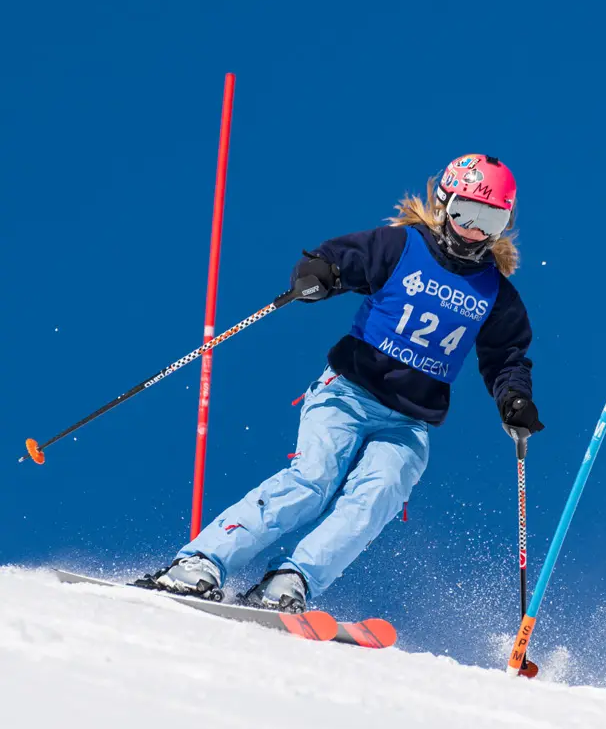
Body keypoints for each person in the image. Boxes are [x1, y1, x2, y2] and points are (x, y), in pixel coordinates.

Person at [141, 154, 544, 612]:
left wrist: (514, 399)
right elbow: (340, 258)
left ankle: (290, 580)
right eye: (464, 212)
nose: (474, 229)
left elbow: (507, 356)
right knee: (313, 480)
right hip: (348, 395)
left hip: (409, 423)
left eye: (489, 218)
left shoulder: (496, 294)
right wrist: (320, 275)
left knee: (378, 496)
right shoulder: (400, 247)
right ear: (442, 203)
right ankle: (199, 563)